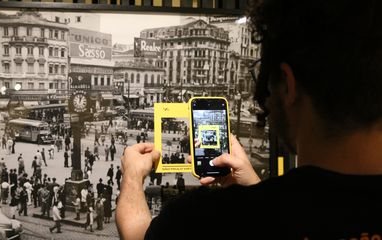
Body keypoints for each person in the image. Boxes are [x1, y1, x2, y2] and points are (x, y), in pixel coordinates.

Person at [115, 1, 382, 239]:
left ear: (287, 85)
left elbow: (138, 233)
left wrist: (132, 175)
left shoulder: (209, 220)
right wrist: (256, 191)